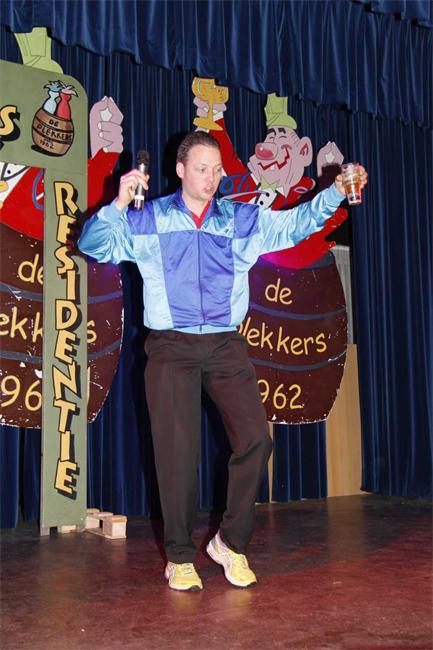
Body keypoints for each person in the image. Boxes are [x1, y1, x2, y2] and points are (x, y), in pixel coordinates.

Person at [78, 131, 368, 592]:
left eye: (216, 170)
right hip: (170, 347)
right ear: (180, 170)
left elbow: (295, 225)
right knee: (177, 455)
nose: (211, 178)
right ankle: (179, 557)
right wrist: (117, 204)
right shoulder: (149, 218)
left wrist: (333, 191)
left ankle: (229, 544)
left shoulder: (240, 218)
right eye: (201, 169)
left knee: (255, 440)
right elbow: (93, 245)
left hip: (224, 346)